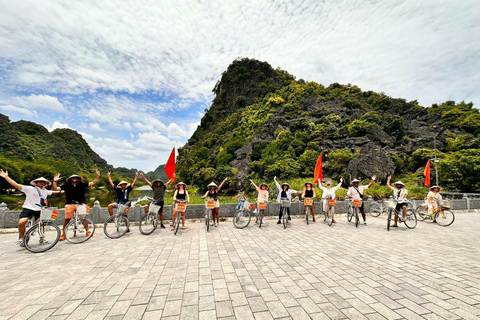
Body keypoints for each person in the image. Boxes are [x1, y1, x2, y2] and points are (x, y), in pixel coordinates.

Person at [0, 170, 59, 246]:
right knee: (21, 222)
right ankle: (22, 238)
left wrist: (63, 190)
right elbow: (16, 185)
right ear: (36, 182)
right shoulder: (29, 188)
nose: (41, 183)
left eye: (43, 182)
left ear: (46, 184)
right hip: (29, 208)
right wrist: (6, 177)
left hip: (40, 209)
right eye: (39, 181)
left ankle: (42, 238)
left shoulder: (45, 191)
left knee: (41, 224)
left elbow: (55, 191)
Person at [52, 170, 100, 240]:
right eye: (73, 178)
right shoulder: (66, 186)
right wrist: (55, 181)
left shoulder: (82, 185)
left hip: (80, 203)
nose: (74, 179)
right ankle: (64, 234)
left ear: (78, 179)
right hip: (69, 204)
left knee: (83, 218)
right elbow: (55, 189)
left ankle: (87, 231)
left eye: (76, 178)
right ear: (70, 179)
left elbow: (93, 182)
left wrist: (97, 176)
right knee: (67, 219)